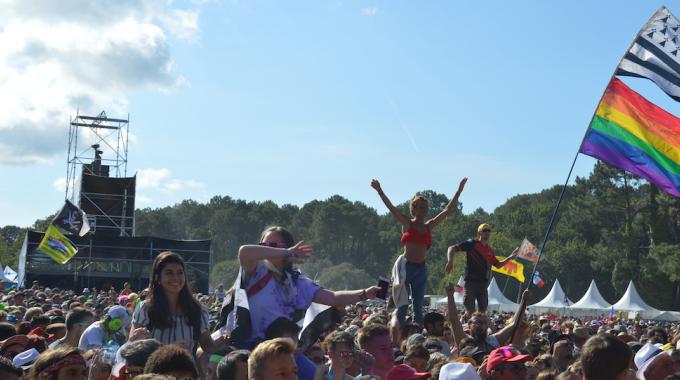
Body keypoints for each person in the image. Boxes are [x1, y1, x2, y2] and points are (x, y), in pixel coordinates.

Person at [229, 226, 380, 347]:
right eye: (263, 245)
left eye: (273, 245)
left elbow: (332, 298)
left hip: (283, 348)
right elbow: (244, 252)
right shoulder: (255, 270)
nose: (267, 249)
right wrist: (286, 251)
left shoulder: (296, 279)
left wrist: (365, 293)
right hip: (251, 347)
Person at [371, 178, 467, 326]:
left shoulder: (429, 226)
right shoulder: (407, 223)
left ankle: (417, 333)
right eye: (421, 207)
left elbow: (447, 210)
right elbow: (391, 208)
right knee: (402, 305)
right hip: (406, 267)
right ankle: (400, 332)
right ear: (413, 209)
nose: (424, 209)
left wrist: (459, 191)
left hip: (421, 269)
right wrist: (379, 190)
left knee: (418, 306)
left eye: (425, 207)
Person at [130, 251, 227, 356]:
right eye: (169, 273)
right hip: (155, 371)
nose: (175, 278)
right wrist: (169, 349)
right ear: (158, 277)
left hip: (187, 370)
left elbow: (208, 346)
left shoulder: (198, 310)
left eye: (180, 272)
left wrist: (220, 344)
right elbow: (132, 347)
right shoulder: (145, 309)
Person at [446, 223, 520, 315]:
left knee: (482, 312)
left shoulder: (490, 250)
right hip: (470, 283)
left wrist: (509, 258)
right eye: (485, 231)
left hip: (483, 284)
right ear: (479, 233)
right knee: (470, 311)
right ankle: (466, 326)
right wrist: (450, 261)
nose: (487, 233)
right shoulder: (471, 244)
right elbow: (451, 248)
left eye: (489, 231)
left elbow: (498, 265)